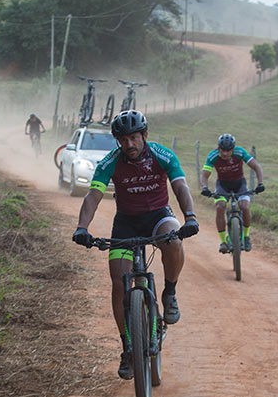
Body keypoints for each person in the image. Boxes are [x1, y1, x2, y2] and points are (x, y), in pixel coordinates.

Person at [71, 110, 199, 380]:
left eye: (133, 138)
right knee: (119, 282)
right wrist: (82, 228)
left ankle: (170, 293)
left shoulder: (162, 155)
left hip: (158, 216)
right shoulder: (110, 162)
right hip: (126, 223)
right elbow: (93, 196)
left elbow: (180, 187)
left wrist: (190, 217)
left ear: (145, 136)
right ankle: (128, 347)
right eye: (123, 140)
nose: (129, 144)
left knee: (174, 240)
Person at [199, 133, 264, 253]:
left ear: (233, 150)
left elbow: (256, 166)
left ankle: (246, 236)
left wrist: (260, 183)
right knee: (220, 207)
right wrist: (204, 187)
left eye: (228, 151)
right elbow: (205, 174)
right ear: (218, 148)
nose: (224, 153)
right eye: (222, 150)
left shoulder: (240, 153)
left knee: (244, 206)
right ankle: (223, 241)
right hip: (222, 185)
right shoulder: (213, 156)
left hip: (239, 184)